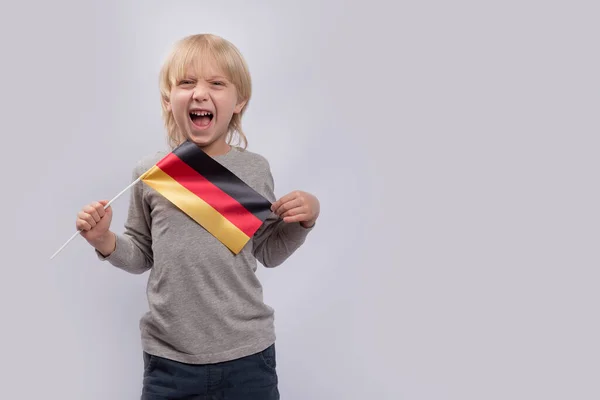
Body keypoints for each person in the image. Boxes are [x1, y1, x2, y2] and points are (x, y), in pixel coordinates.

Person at [75, 33, 320, 399]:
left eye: (216, 84)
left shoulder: (254, 169)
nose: (199, 93)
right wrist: (104, 241)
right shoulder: (151, 171)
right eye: (186, 83)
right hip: (168, 362)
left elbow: (268, 250)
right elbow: (142, 252)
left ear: (239, 102)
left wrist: (306, 219)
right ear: (167, 99)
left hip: (248, 358)